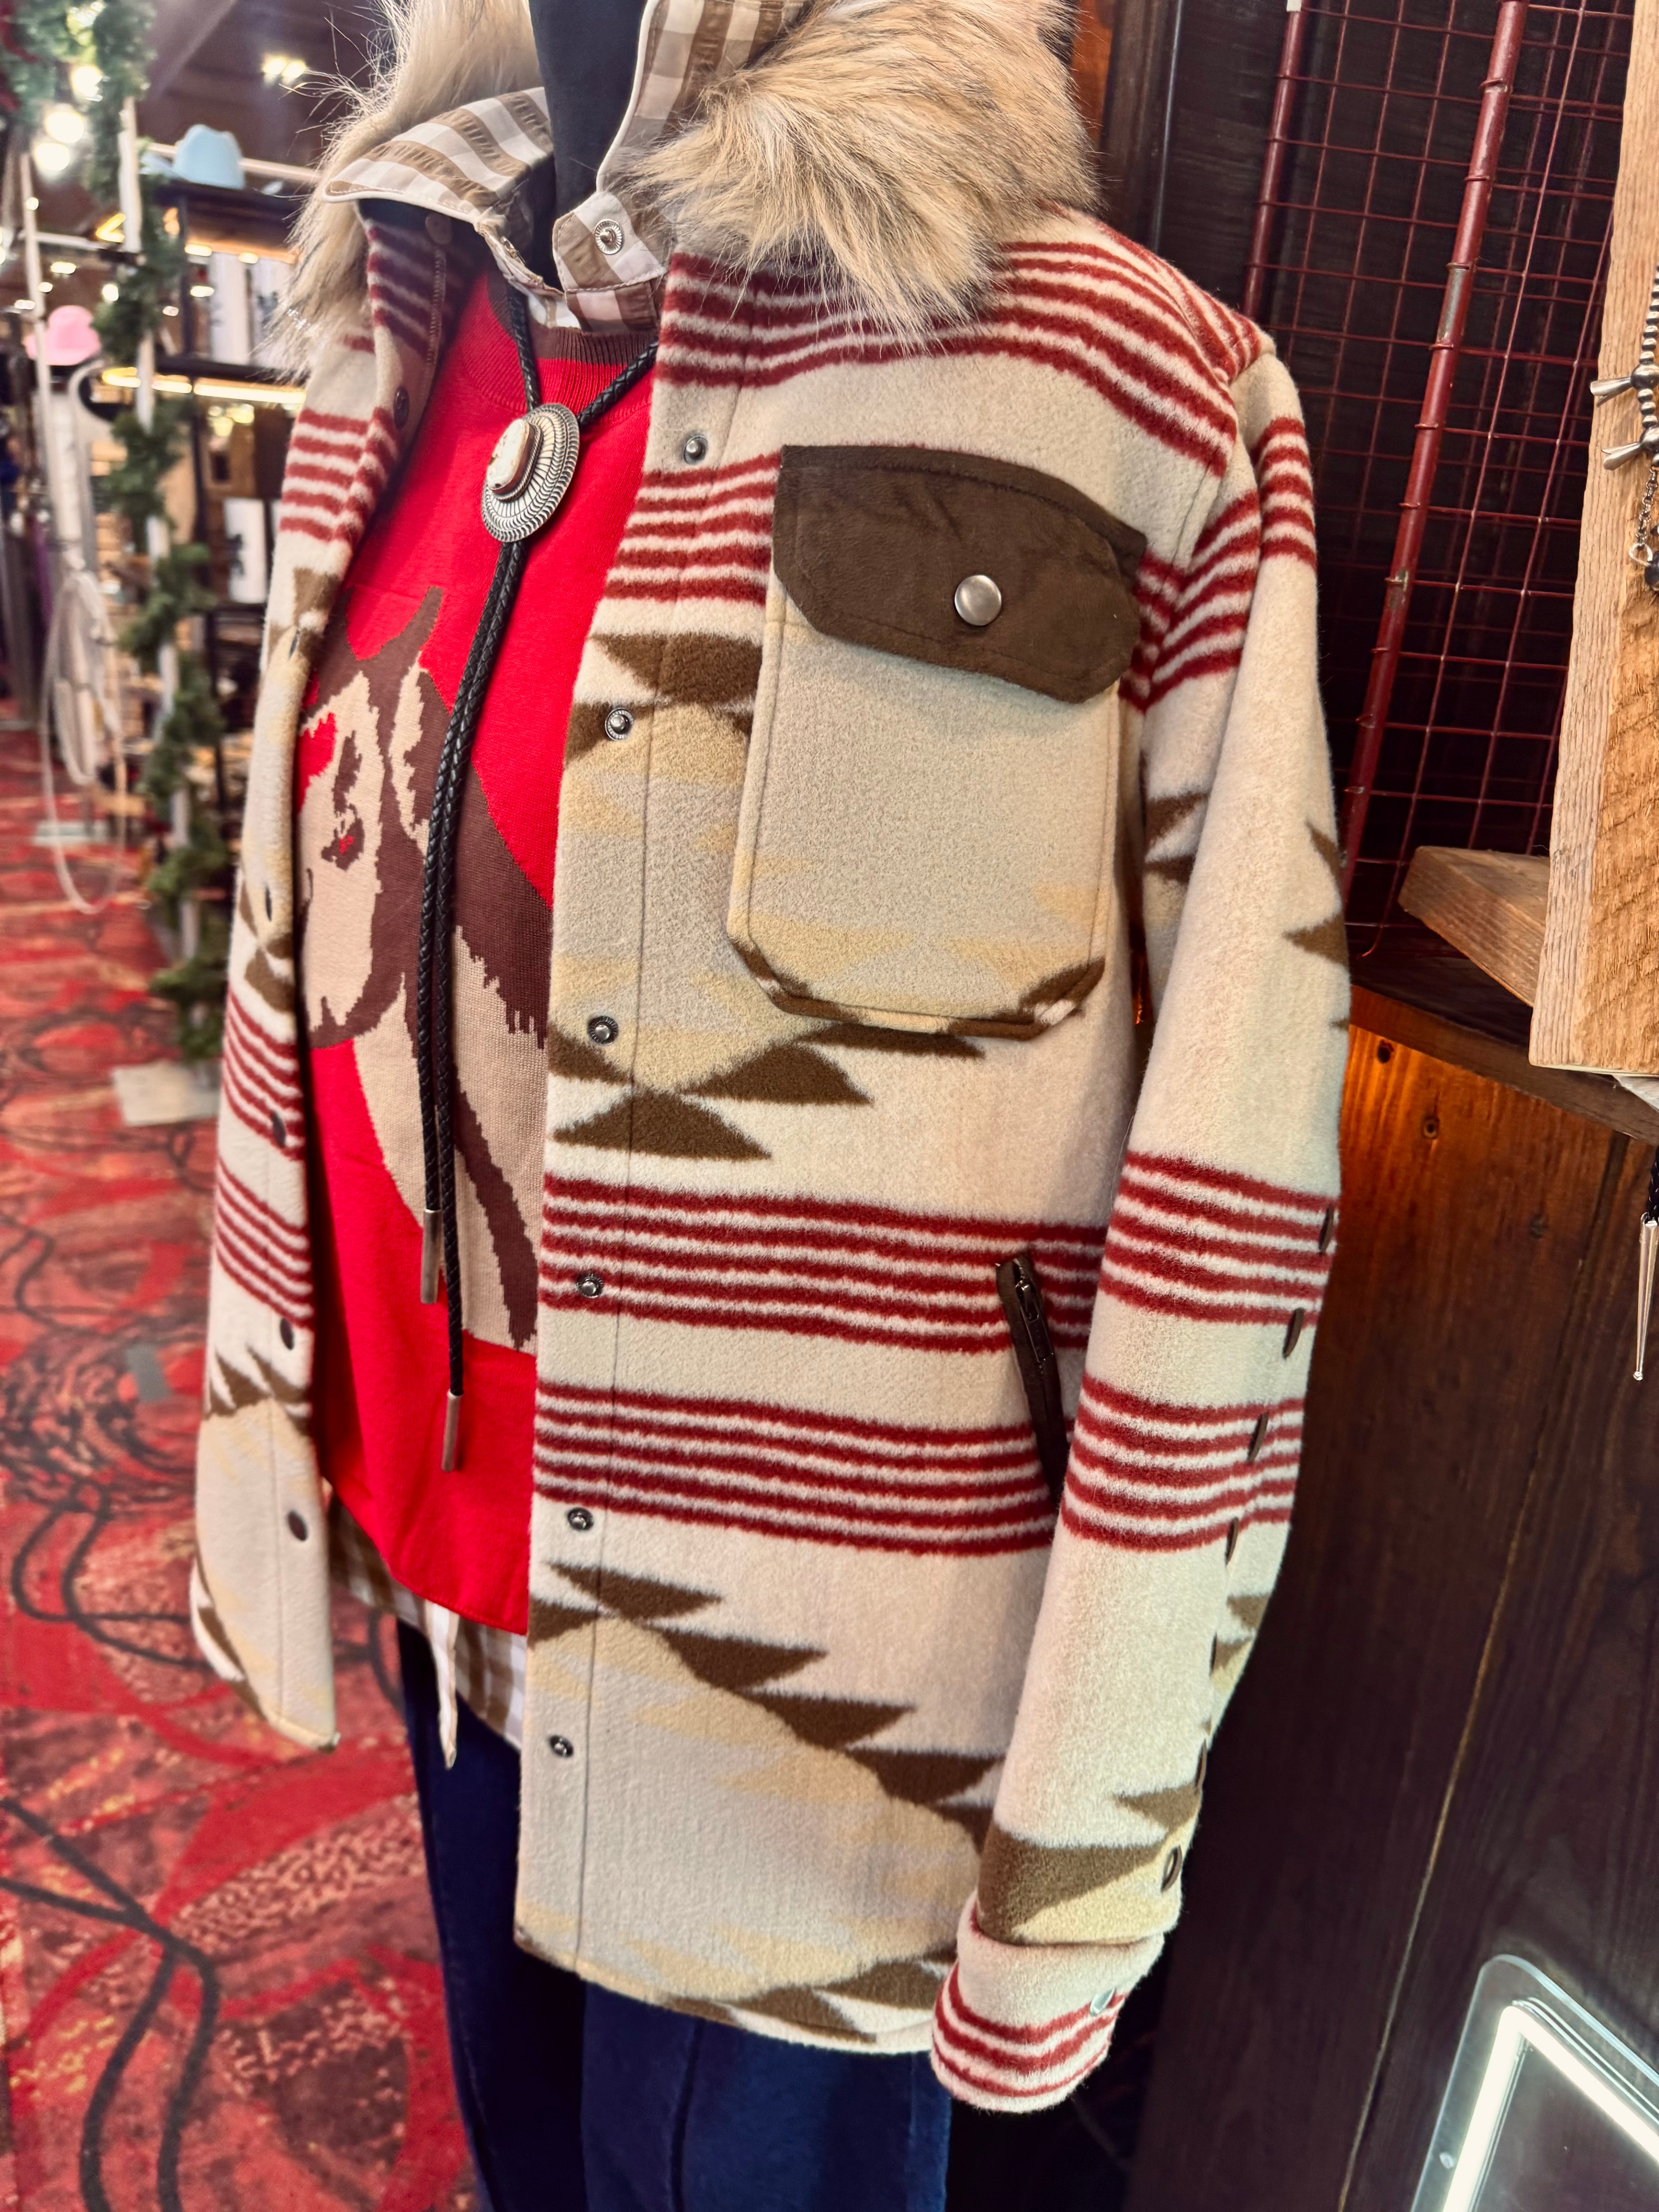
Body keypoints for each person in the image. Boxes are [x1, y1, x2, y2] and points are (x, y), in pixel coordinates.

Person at [191, 2, 1348, 2205]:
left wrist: (1088, 1841)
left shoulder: (1121, 391)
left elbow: (1231, 1161)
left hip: (819, 1723)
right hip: (452, 1597)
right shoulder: (399, 330)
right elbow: (297, 954)